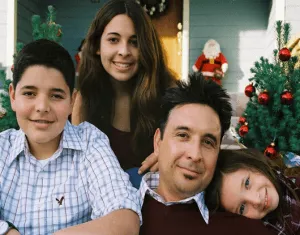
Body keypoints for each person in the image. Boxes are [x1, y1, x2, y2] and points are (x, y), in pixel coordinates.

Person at [1, 39, 141, 235]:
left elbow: (125, 221)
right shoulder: (2, 149)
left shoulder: (90, 144)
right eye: (30, 93)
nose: (42, 107)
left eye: (56, 96)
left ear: (72, 101)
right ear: (13, 96)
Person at [139, 72, 275, 235]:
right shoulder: (120, 208)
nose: (195, 154)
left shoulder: (245, 227)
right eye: (183, 135)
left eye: (208, 142)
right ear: (158, 142)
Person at [72, 0, 175, 171]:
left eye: (134, 42)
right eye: (113, 40)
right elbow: (78, 168)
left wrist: (168, 153)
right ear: (97, 46)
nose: (124, 51)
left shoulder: (168, 93)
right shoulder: (85, 99)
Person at [205, 148, 300, 235]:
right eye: (242, 208)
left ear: (254, 165)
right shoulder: (264, 230)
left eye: (247, 183)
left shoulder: (294, 183)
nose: (256, 201)